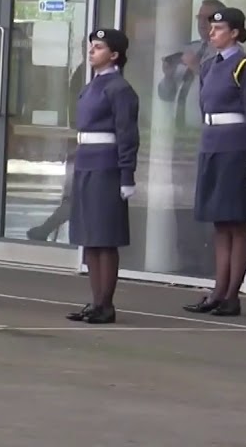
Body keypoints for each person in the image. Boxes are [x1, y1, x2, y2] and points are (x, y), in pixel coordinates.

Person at [183, 7, 246, 317]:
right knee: (220, 222)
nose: (212, 33)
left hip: (236, 147)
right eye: (211, 28)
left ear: (234, 33)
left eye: (219, 29)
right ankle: (218, 290)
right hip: (212, 143)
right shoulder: (208, 66)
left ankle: (232, 294)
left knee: (236, 221)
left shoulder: (245, 65)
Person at [65, 28, 140, 324]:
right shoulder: (91, 86)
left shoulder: (119, 89)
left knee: (105, 238)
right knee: (91, 237)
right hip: (86, 162)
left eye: (99, 47)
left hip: (106, 166)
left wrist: (126, 175)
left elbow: (127, 135)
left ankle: (105, 303)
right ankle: (95, 301)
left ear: (115, 55)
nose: (92, 51)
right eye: (92, 46)